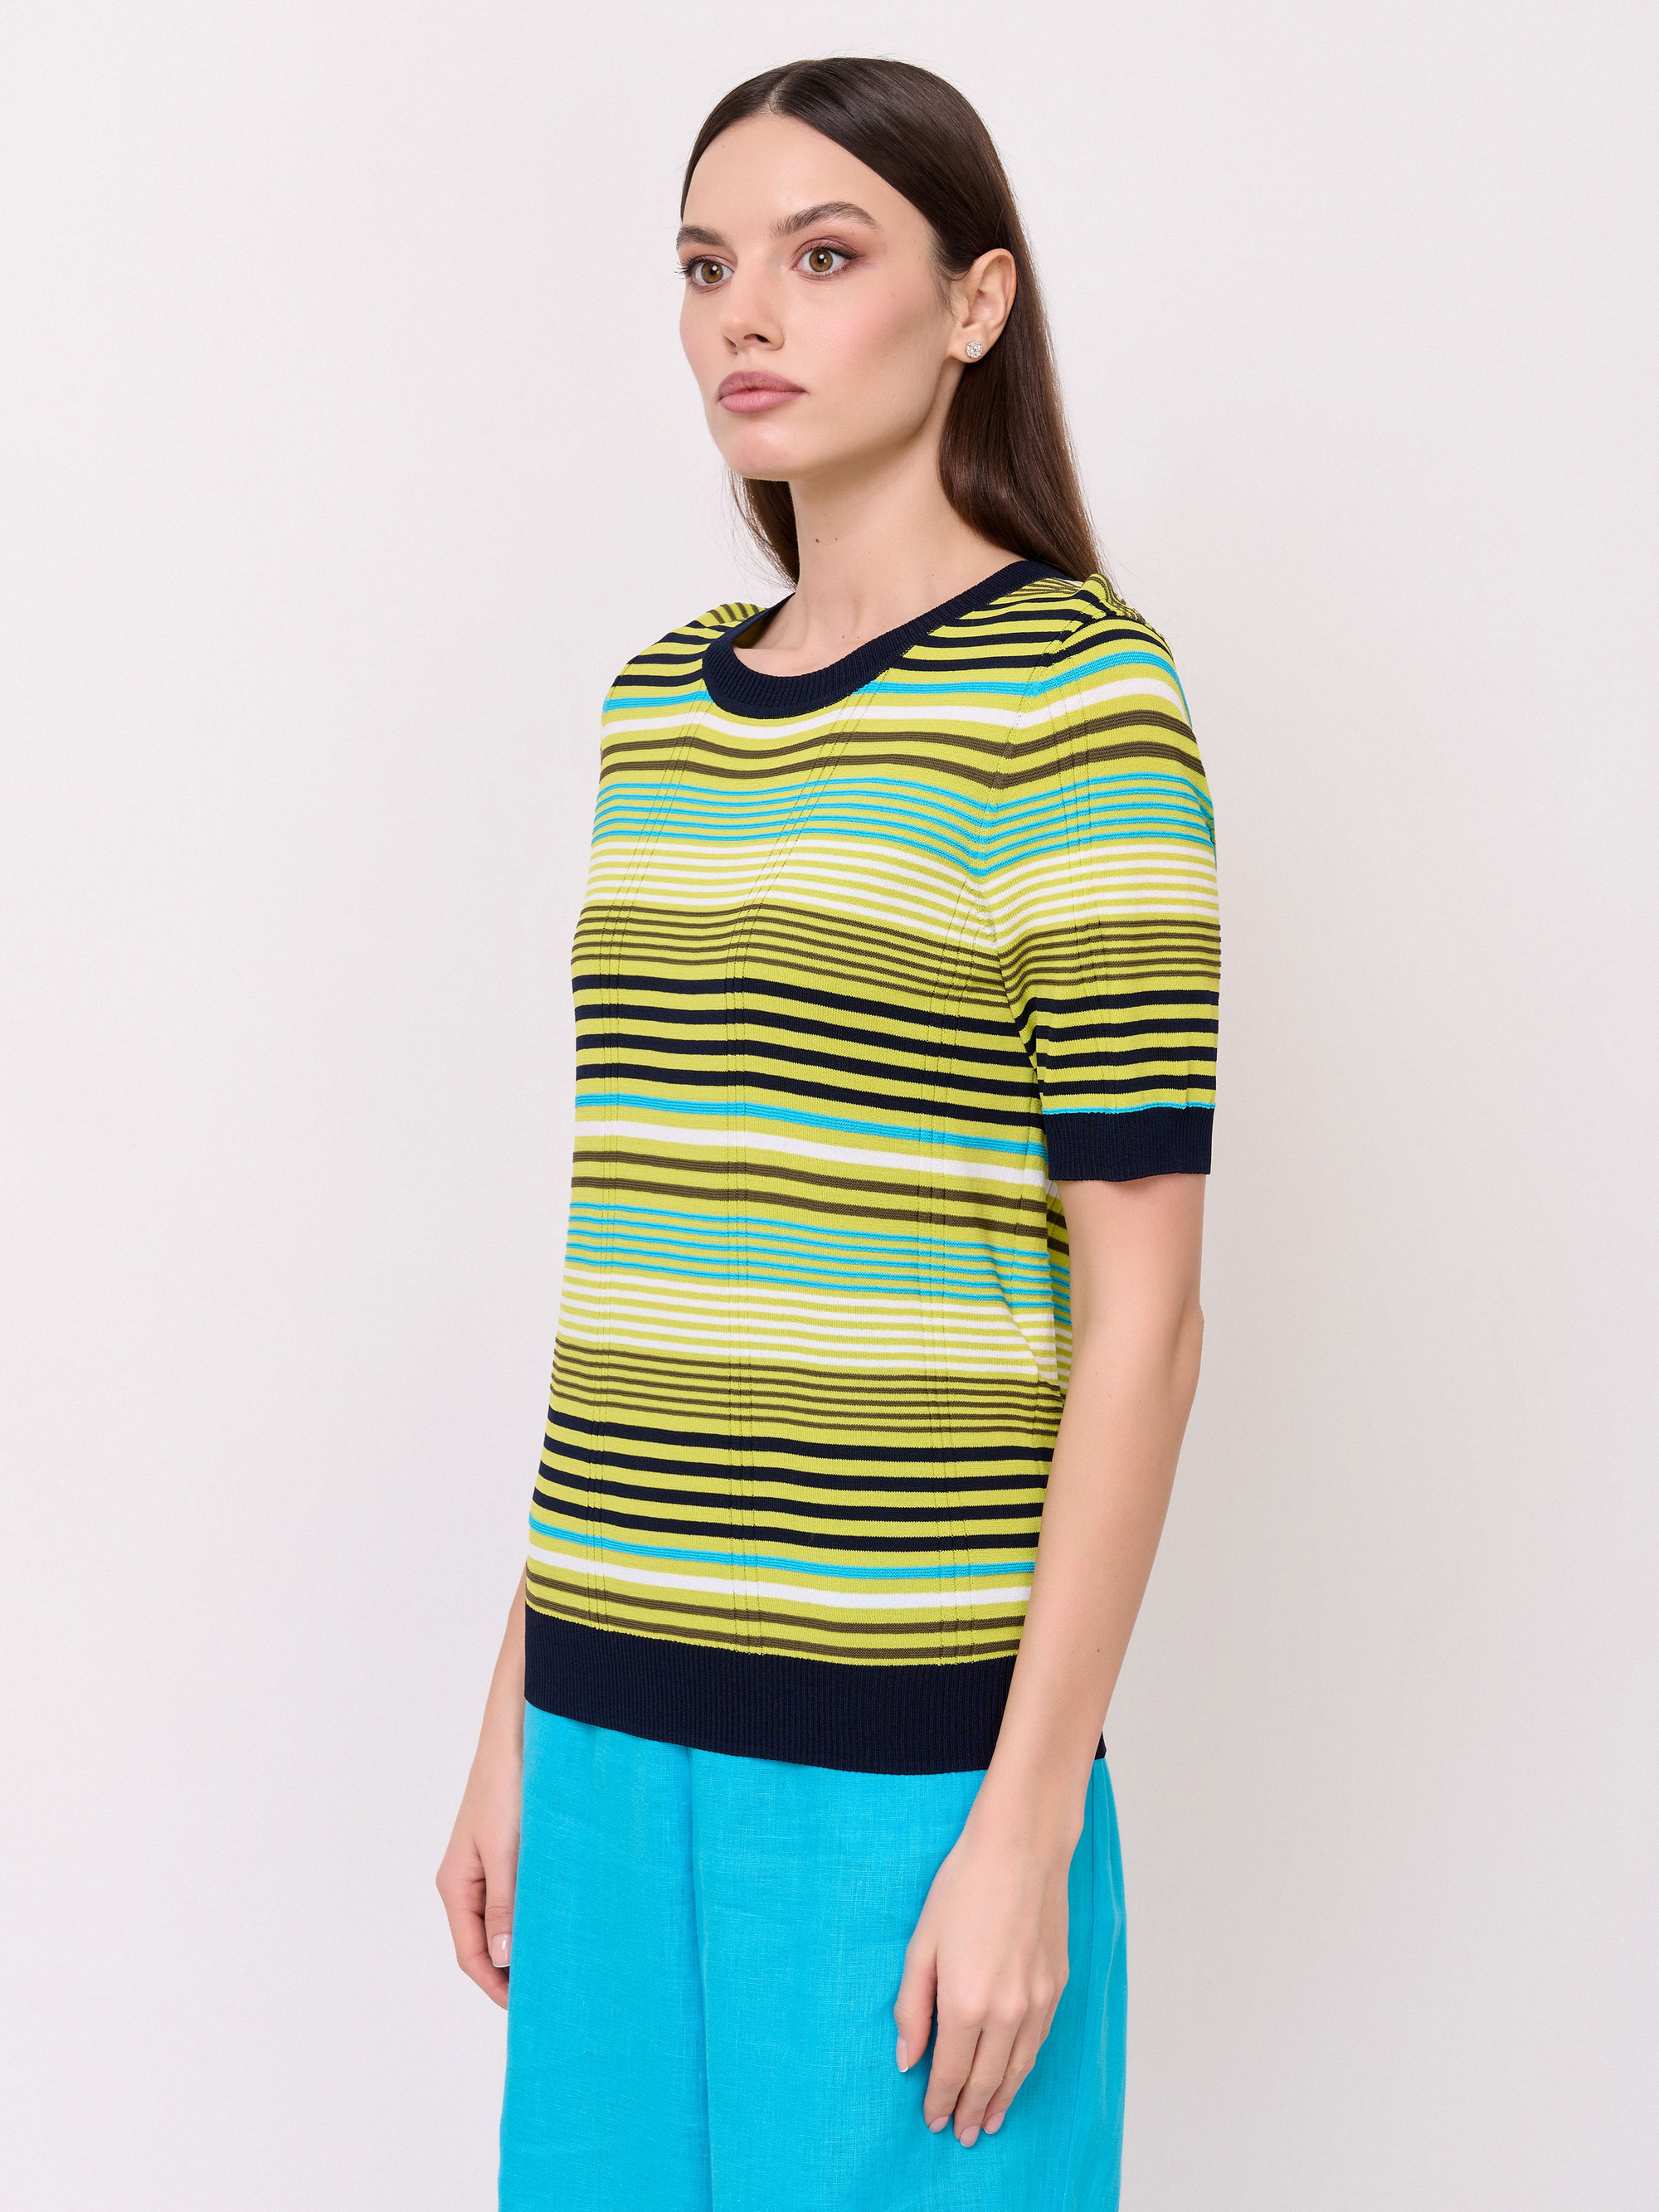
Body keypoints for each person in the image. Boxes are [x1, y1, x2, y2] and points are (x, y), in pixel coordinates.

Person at [437, 55, 1219, 2212]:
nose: (745, 317)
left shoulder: (1079, 701)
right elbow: (647, 1252)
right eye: (706, 267)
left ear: (976, 305)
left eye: (823, 253)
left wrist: (1024, 1820)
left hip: (903, 1755)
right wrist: (516, 1710)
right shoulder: (659, 708)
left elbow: (1145, 1321)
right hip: (607, 1724)